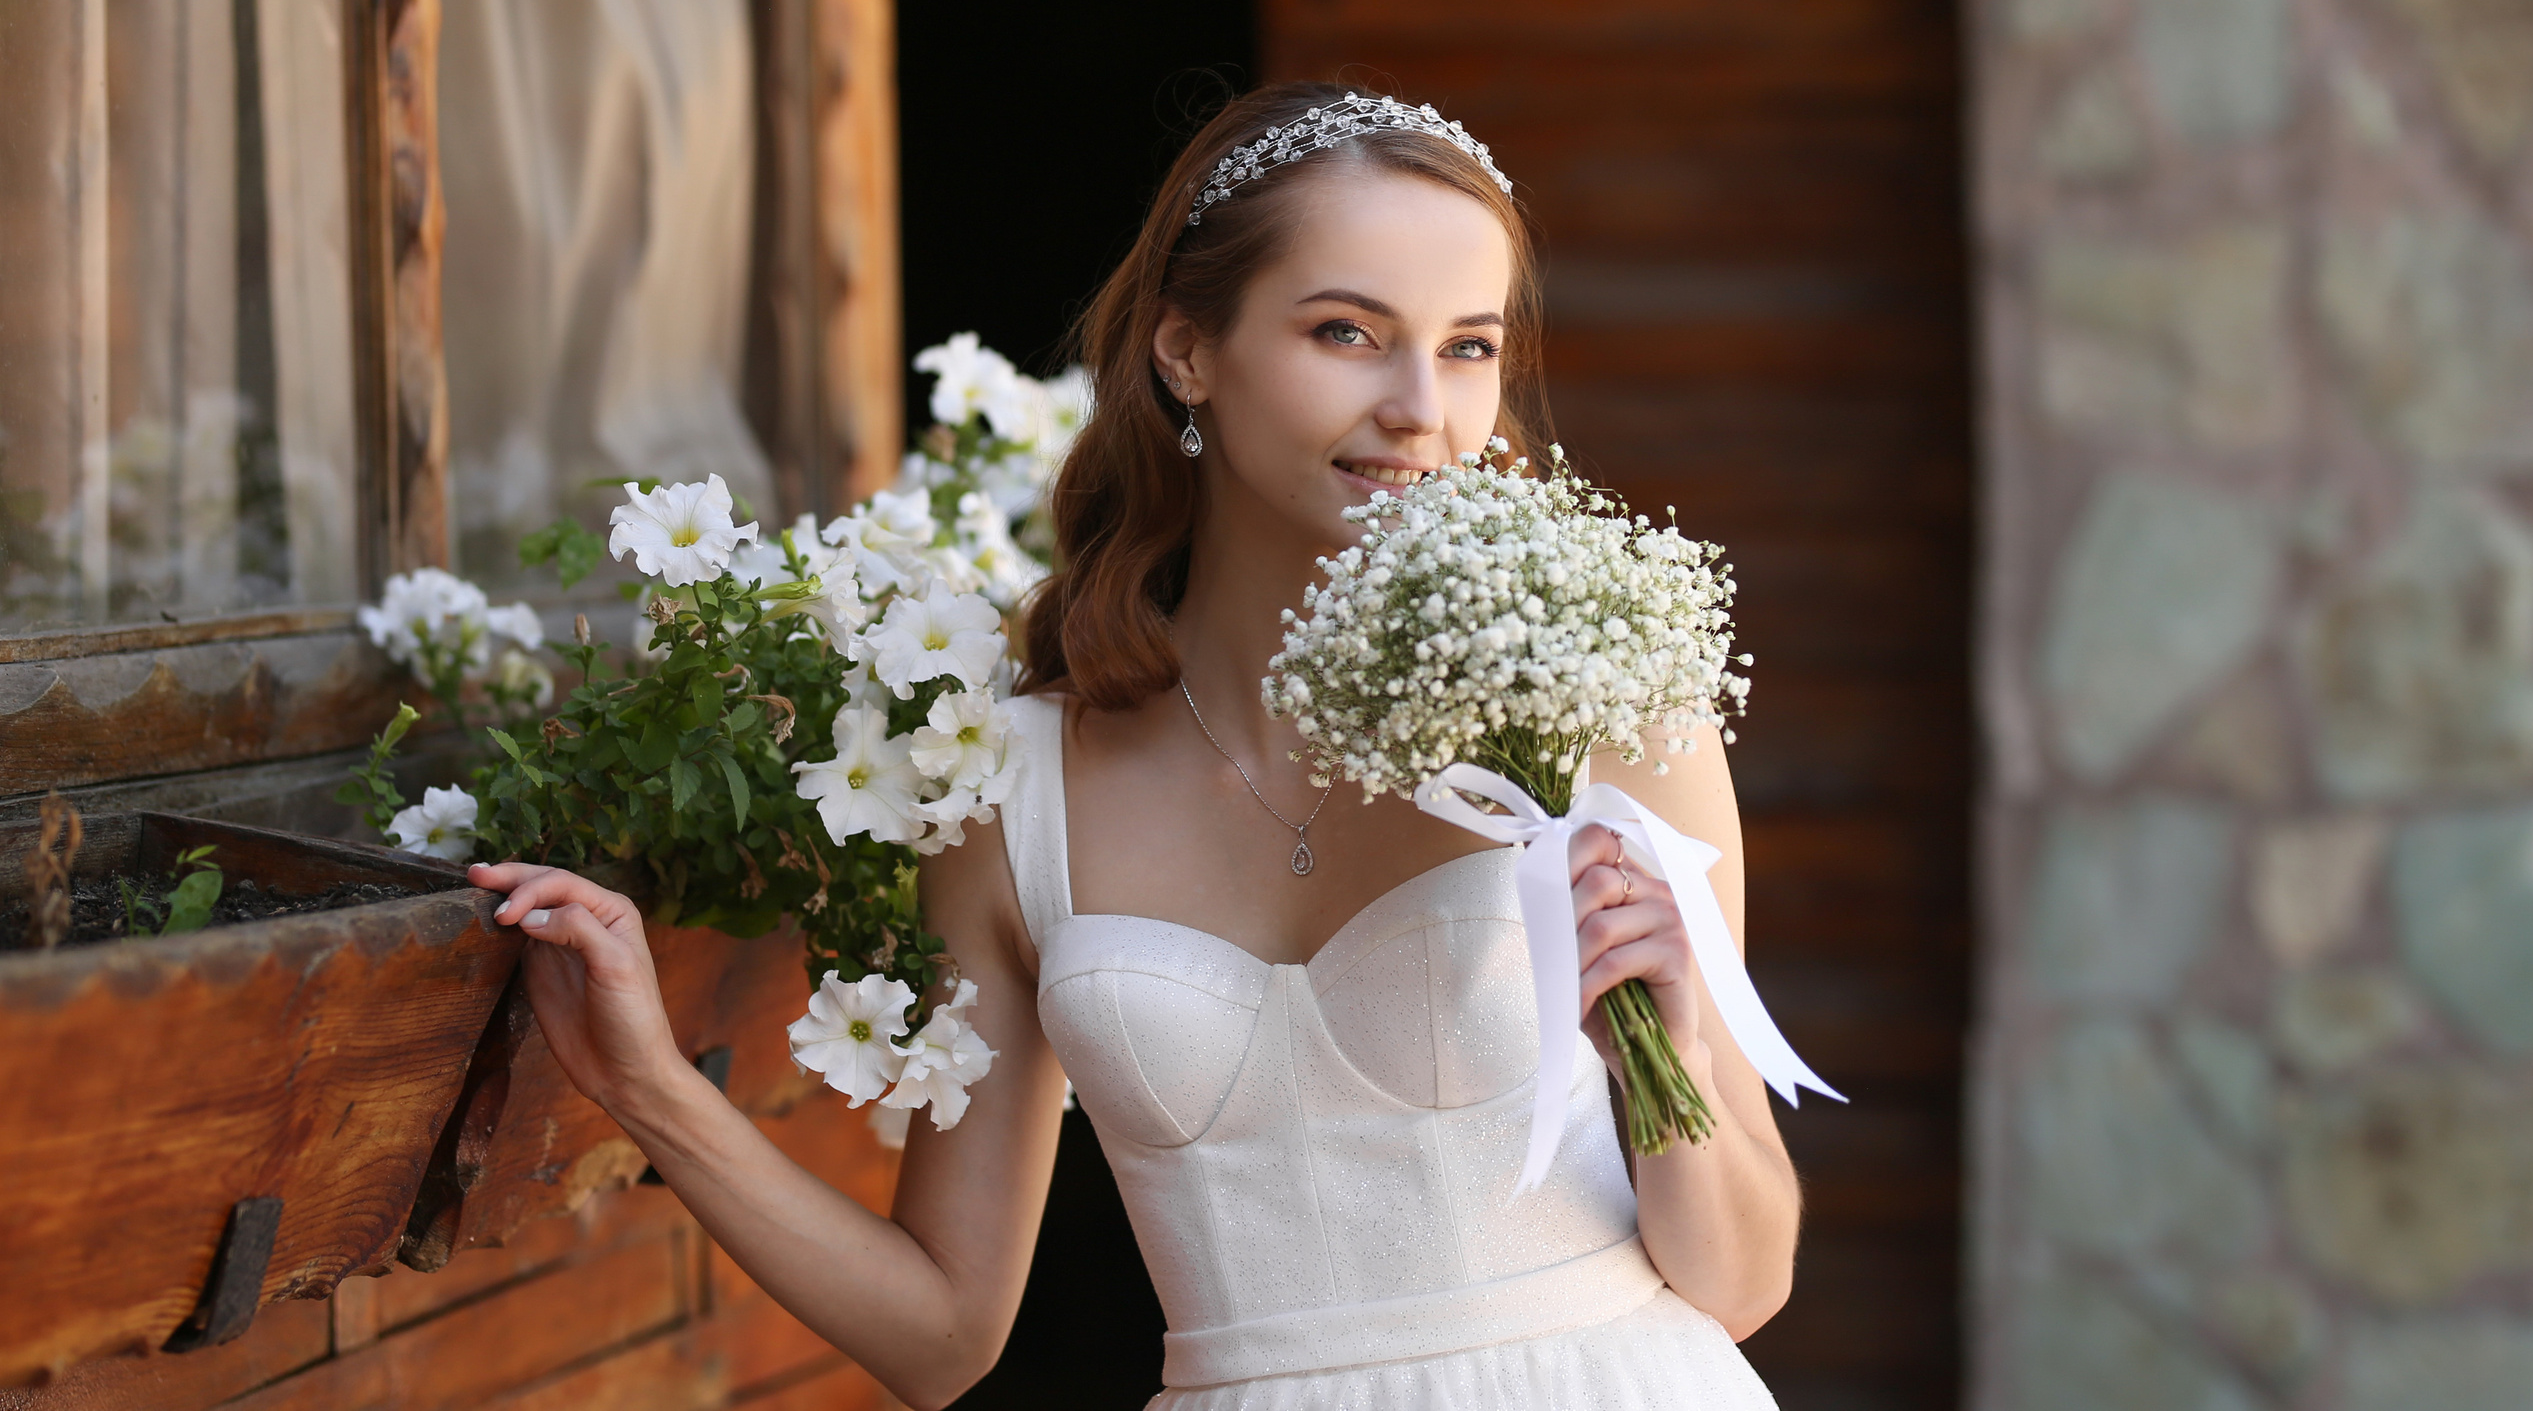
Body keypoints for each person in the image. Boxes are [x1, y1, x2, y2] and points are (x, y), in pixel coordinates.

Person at [468, 82, 1800, 1409]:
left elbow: (1742, 1283)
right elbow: (942, 1335)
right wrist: (650, 1089)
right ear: (1187, 352)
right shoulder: (1017, 791)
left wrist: (1665, 1033)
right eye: (1348, 332)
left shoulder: (1602, 720)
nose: (1419, 409)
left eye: (1467, 347)